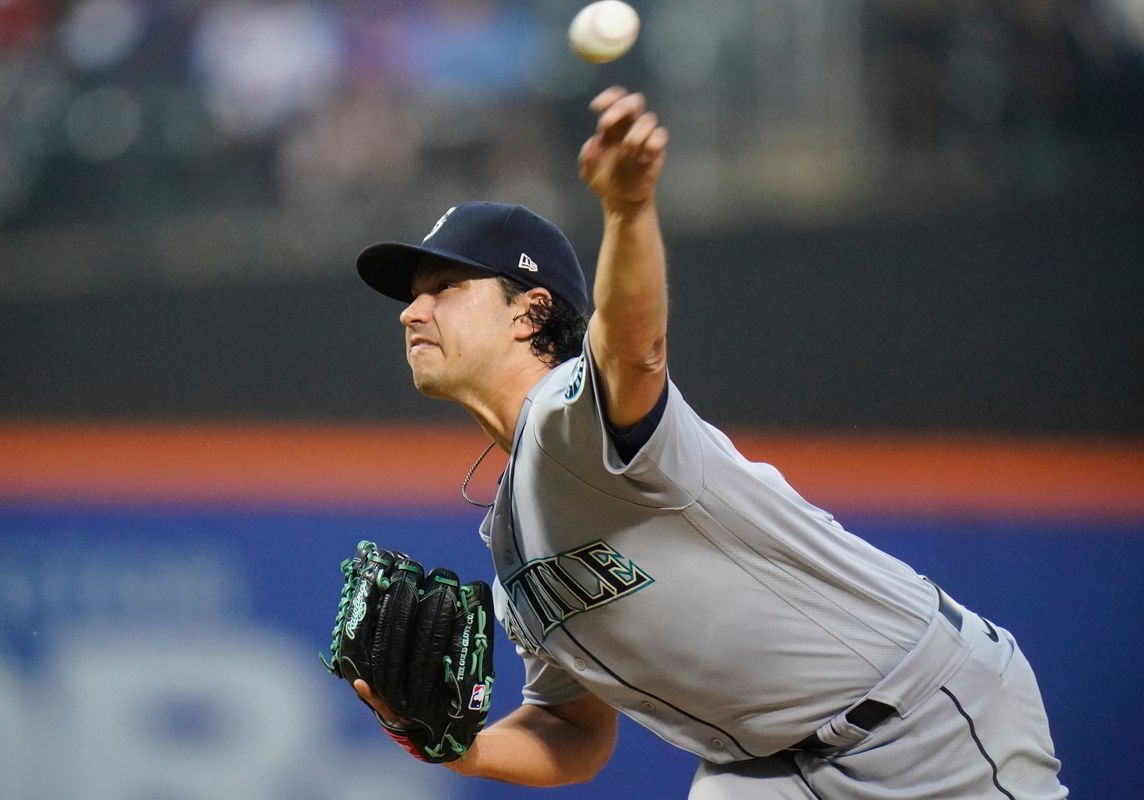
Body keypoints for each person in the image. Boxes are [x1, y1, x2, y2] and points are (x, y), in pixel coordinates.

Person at [351, 86, 1067, 799]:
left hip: (919, 723)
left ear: (529, 312)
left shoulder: (571, 420)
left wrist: (628, 211)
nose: (413, 311)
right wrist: (456, 748)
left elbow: (632, 350)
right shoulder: (512, 536)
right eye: (413, 295)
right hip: (760, 772)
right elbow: (572, 729)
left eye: (444, 285)